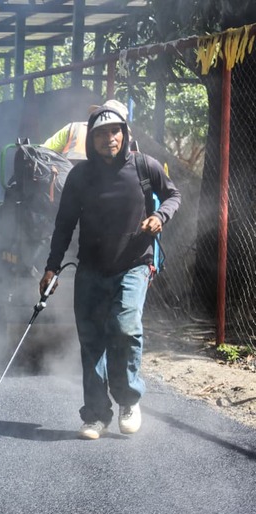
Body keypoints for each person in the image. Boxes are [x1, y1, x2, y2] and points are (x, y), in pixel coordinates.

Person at [39, 104, 181, 440]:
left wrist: (160, 217)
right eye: (101, 134)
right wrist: (51, 267)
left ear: (125, 134)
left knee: (124, 327)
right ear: (92, 139)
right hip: (90, 268)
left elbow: (173, 195)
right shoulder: (80, 176)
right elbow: (64, 225)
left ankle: (129, 400)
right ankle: (96, 414)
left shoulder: (145, 167)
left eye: (115, 132)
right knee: (91, 342)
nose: (109, 139)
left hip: (134, 265)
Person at [43, 100, 130, 161]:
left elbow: (44, 151)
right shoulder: (73, 129)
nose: (109, 137)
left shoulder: (73, 128)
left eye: (114, 130)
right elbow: (44, 152)